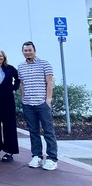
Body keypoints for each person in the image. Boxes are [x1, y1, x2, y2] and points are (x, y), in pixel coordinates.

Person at [18, 41, 58, 171]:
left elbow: (49, 82)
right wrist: (23, 98)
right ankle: (37, 156)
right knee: (33, 132)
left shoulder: (45, 64)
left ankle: (52, 158)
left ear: (34, 51)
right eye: (25, 50)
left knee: (48, 131)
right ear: (23, 52)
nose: (27, 52)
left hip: (42, 103)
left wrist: (48, 100)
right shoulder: (21, 66)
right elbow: (22, 83)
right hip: (28, 104)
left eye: (30, 50)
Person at [0, 49, 20, 162]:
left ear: (4, 57)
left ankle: (9, 152)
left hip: (8, 101)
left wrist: (14, 88)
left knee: (9, 126)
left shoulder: (10, 68)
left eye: (1, 56)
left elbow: (18, 79)